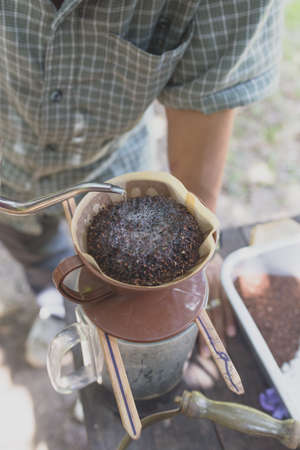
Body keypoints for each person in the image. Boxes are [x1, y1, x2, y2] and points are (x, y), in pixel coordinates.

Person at [0, 1, 283, 367]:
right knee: (38, 256)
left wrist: (202, 252)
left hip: (109, 171)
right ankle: (56, 306)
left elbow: (206, 102)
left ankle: (94, 326)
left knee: (108, 288)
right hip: (8, 182)